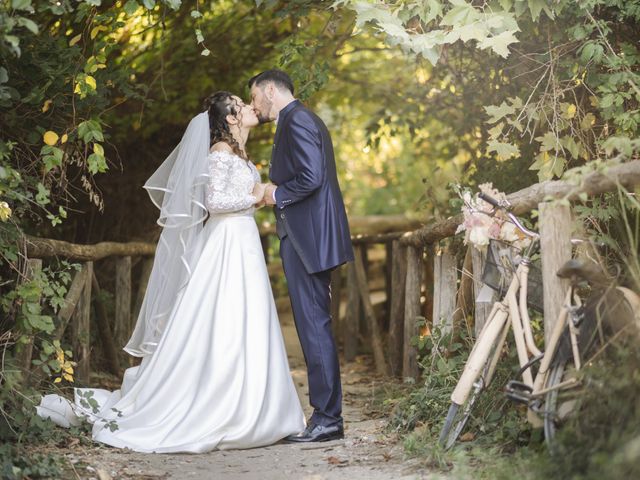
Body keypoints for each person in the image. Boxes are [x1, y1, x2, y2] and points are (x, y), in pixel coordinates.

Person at [36, 91, 305, 453]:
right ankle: (225, 406)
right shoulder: (220, 154)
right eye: (241, 106)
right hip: (226, 244)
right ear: (229, 119)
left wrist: (256, 195)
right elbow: (215, 203)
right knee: (222, 319)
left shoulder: (238, 154)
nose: (248, 108)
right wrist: (257, 196)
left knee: (247, 319)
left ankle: (257, 404)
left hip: (243, 242)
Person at [249, 70, 354, 443]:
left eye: (256, 98)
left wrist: (275, 193)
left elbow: (311, 178)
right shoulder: (296, 120)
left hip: (308, 240)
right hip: (307, 236)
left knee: (313, 326)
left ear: (271, 91)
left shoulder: (298, 120)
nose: (254, 106)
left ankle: (327, 419)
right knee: (313, 325)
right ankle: (326, 416)